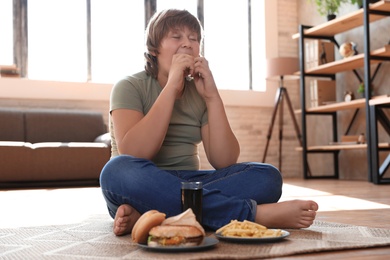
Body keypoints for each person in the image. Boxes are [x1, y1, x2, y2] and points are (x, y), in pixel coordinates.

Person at [100, 9, 318, 236]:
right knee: (116, 171)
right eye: (177, 37)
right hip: (142, 182)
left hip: (191, 183)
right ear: (154, 49)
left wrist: (212, 97)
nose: (187, 44)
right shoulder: (128, 86)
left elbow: (224, 161)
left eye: (194, 39)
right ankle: (253, 215)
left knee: (267, 177)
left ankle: (153, 216)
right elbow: (135, 152)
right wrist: (172, 87)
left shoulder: (199, 92)